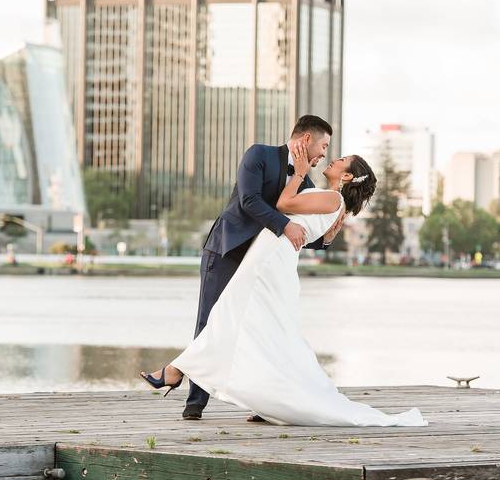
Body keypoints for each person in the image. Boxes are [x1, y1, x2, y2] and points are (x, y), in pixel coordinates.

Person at [139, 142, 427, 427]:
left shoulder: (332, 199)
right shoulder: (331, 200)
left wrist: (300, 172)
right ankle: (251, 395)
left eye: (340, 159)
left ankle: (174, 371)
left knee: (229, 317)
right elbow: (314, 231)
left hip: (269, 260)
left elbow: (283, 205)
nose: (332, 158)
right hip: (269, 256)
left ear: (348, 176)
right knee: (256, 329)